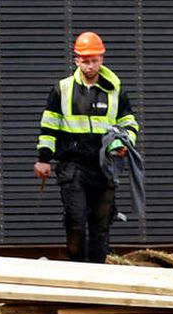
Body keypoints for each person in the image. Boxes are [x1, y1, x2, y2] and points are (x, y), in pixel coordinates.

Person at [34, 31, 139, 262]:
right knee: (76, 219)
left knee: (101, 223)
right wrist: (43, 159)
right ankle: (77, 269)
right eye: (86, 61)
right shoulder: (62, 89)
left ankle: (97, 273)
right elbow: (49, 126)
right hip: (73, 165)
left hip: (104, 166)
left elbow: (129, 122)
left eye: (95, 60)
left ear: (102, 59)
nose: (90, 66)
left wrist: (123, 143)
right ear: (77, 60)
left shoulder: (115, 90)